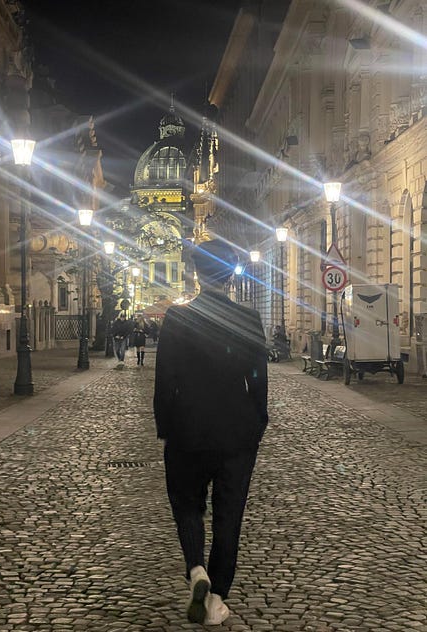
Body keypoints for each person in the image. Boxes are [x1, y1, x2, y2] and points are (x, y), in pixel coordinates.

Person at [153, 239, 268, 625]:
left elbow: (165, 380)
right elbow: (259, 379)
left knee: (187, 505)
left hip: (187, 430)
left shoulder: (177, 318)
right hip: (237, 432)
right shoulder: (248, 319)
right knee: (229, 515)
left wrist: (166, 427)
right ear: (231, 275)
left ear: (196, 273)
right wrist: (258, 422)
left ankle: (196, 569)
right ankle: (217, 598)